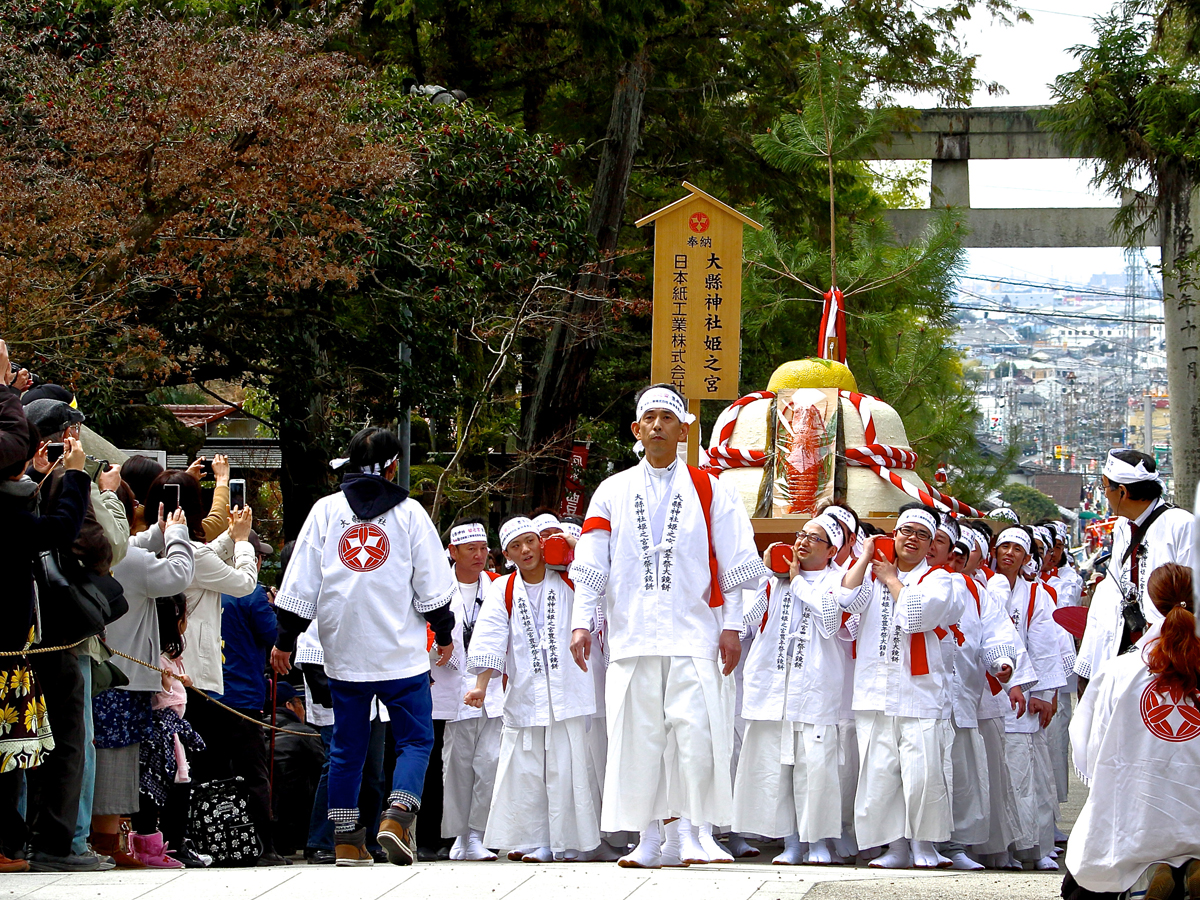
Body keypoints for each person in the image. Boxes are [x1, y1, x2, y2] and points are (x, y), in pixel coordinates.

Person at [569, 384, 766, 869]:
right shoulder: (612, 490)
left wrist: (733, 626)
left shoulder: (710, 488)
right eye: (649, 417)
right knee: (638, 740)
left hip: (694, 632)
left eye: (667, 417)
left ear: (683, 429)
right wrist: (579, 622)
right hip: (633, 635)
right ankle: (651, 838)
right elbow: (593, 559)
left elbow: (738, 562)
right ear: (637, 429)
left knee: (696, 738)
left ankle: (693, 834)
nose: (657, 425)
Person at [271, 426, 457, 867]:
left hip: (343, 652)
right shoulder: (409, 513)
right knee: (415, 741)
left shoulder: (325, 511)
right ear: (393, 466)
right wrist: (444, 632)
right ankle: (397, 814)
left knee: (346, 750)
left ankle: (346, 841)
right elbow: (432, 586)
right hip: (399, 653)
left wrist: (285, 639)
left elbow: (299, 584)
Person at [837, 503, 965, 869]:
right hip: (875, 690)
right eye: (906, 531)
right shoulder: (871, 573)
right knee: (880, 774)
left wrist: (893, 579)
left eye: (923, 535)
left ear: (931, 546)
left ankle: (924, 845)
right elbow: (845, 599)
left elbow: (915, 617)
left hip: (918, 692)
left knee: (923, 774)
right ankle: (894, 847)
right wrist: (864, 558)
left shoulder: (941, 580)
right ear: (894, 535)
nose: (913, 540)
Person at [466, 516, 600, 862]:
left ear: (542, 542)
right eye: (515, 546)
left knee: (566, 766)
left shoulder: (570, 581)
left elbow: (597, 569)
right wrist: (481, 686)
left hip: (567, 689)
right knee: (527, 769)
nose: (524, 550)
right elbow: (492, 639)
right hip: (526, 691)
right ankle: (536, 839)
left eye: (530, 541)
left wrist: (569, 545)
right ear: (507, 554)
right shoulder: (504, 589)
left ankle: (571, 841)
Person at [1065, 564, 1200, 900]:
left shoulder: (1118, 671)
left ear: (1149, 606)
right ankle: (1190, 864)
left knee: (1085, 881)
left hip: (1137, 821)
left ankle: (1149, 873)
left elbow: (1090, 751)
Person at [733, 515, 849, 865]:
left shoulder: (838, 579)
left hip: (814, 690)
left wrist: (798, 583)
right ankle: (792, 842)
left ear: (831, 550)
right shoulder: (776, 581)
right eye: (801, 535)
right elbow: (746, 621)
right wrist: (769, 574)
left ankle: (818, 843)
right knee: (776, 770)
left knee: (816, 770)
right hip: (773, 690)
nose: (803, 542)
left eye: (814, 538)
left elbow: (831, 623)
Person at [0, 430, 90, 872]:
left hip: (16, 650)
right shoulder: (9, 514)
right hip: (8, 654)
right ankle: (7, 842)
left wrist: (32, 477)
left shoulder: (10, 503)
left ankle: (10, 842)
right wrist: (74, 479)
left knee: (13, 749)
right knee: (9, 749)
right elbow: (56, 531)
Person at [92, 491, 196, 868]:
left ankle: (102, 838)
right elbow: (178, 573)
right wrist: (179, 536)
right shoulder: (128, 558)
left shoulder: (99, 551)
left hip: (104, 671)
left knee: (102, 758)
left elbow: (134, 544)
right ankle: (106, 842)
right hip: (126, 678)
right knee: (116, 761)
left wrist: (161, 530)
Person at [193, 529, 284, 865]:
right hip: (243, 697)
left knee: (207, 772)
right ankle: (265, 846)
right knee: (254, 774)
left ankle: (211, 842)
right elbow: (273, 635)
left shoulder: (201, 587)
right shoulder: (251, 595)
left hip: (203, 694)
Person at [1076, 449, 1194, 684]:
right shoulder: (1122, 526)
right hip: (1127, 644)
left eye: (1105, 487)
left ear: (1122, 491)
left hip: (1169, 650)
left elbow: (1193, 598)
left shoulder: (1182, 526)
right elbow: (1114, 589)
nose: (1105, 495)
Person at [986, 526, 1066, 871]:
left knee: (1026, 773)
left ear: (1026, 557)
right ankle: (994, 848)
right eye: (1003, 546)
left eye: (1016, 549)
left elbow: (1046, 646)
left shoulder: (1035, 594)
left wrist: (1045, 692)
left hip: (1024, 695)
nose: (1008, 553)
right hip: (987, 691)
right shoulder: (981, 584)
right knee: (992, 771)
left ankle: (1033, 846)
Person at [438, 518, 503, 861]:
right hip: (452, 688)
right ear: (453, 552)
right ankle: (460, 836)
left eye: (483, 549)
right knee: (458, 765)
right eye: (471, 549)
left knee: (490, 762)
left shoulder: (496, 586)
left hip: (491, 688)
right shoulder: (436, 589)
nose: (479, 555)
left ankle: (478, 834)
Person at [133, 595, 206, 867]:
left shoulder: (166, 656)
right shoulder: (157, 660)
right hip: (161, 732)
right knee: (168, 788)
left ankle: (170, 843)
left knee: (169, 786)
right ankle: (169, 844)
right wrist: (171, 682)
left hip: (170, 729)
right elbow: (162, 693)